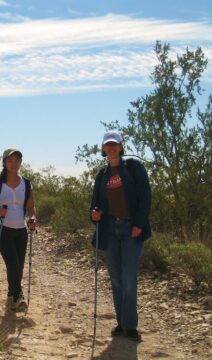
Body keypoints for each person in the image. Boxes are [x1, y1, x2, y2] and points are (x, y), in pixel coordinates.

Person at [90, 131, 152, 342]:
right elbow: (95, 205)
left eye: (114, 144)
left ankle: (131, 326)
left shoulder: (134, 168)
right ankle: (121, 323)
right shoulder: (102, 175)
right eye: (108, 145)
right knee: (115, 278)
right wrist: (95, 213)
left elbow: (145, 197)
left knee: (128, 277)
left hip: (131, 229)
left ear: (121, 146)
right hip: (110, 231)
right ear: (103, 149)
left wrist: (138, 224)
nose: (111, 148)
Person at [0, 148, 37, 312]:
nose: (14, 164)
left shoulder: (27, 184)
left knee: (19, 266)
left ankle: (10, 295)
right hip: (2, 228)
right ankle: (18, 297)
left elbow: (30, 207)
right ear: (4, 163)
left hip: (21, 229)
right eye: (10, 160)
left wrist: (32, 219)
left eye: (17, 160)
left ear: (20, 163)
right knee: (13, 264)